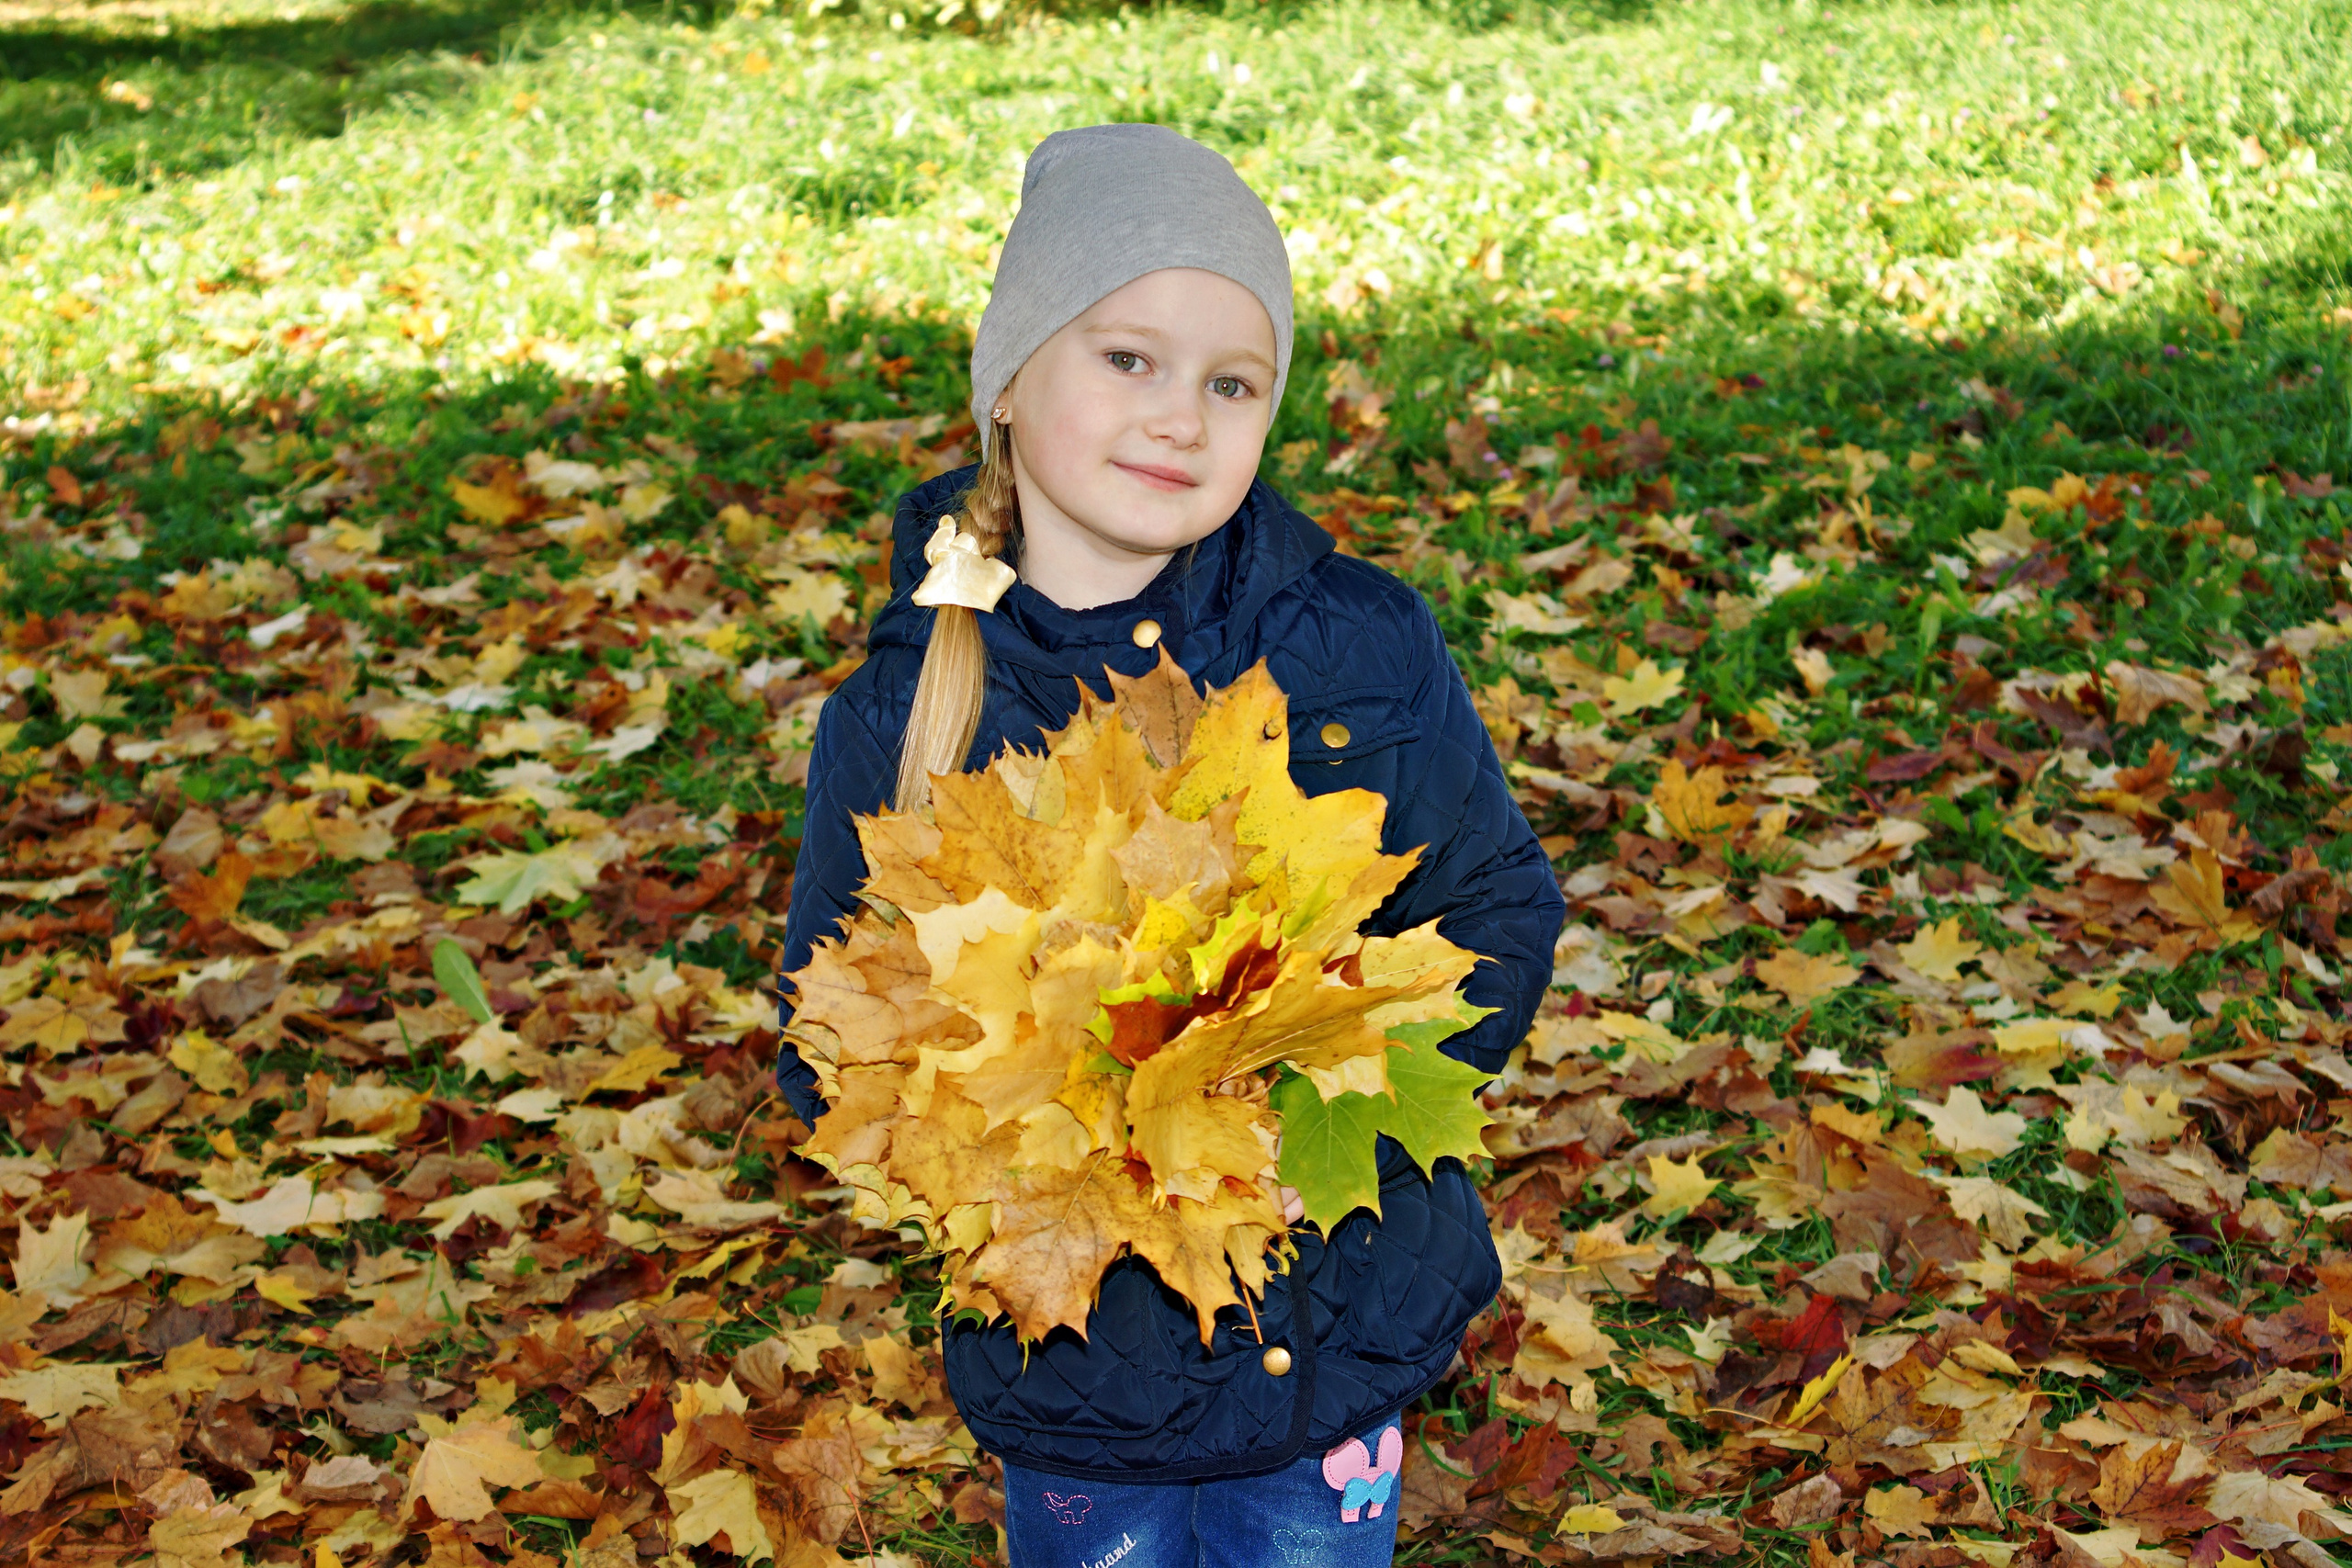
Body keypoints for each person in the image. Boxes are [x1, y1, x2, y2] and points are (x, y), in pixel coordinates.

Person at [774, 123, 1565, 1568]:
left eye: (1231, 382)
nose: (1179, 417)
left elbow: (1498, 898)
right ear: (1011, 385)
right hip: (1085, 1373)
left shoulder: (1359, 645)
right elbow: (830, 1031)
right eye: (1128, 358)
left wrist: (1334, 1086)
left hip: (1339, 1327)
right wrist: (1042, 1125)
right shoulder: (909, 714)